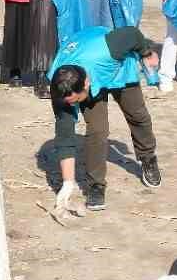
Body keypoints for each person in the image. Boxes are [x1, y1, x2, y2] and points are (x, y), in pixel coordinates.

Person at [47, 26, 161, 212]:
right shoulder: (60, 86)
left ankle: (148, 157)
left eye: (76, 101)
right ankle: (96, 185)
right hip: (89, 77)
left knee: (137, 115)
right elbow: (65, 135)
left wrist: (146, 53)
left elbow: (132, 33)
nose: (73, 105)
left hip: (117, 68)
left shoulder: (112, 47)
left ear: (86, 84)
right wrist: (68, 183)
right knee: (97, 131)